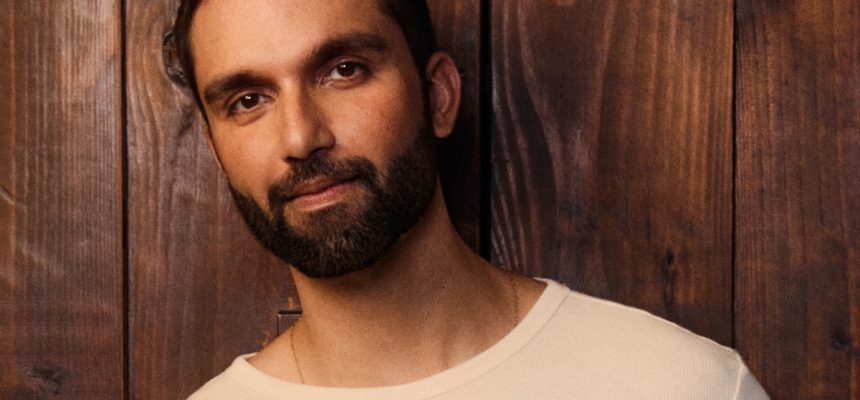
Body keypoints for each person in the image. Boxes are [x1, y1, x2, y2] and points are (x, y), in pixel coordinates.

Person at [172, 1, 769, 398]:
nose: (301, 138)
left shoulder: (682, 387)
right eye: (247, 101)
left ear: (437, 97)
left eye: (344, 70)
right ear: (216, 148)